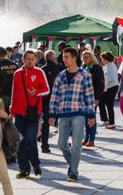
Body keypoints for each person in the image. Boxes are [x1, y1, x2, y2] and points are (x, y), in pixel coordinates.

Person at [49, 48, 96, 182]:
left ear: (74, 58)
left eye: (66, 57)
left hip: (78, 113)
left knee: (76, 145)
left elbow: (89, 95)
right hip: (63, 113)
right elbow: (55, 95)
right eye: (63, 57)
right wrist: (52, 114)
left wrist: (91, 115)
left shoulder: (84, 75)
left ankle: (73, 173)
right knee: (62, 144)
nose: (63, 59)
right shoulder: (61, 76)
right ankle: (73, 164)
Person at [10, 50, 50, 179]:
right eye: (27, 59)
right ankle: (24, 169)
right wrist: (12, 111)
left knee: (31, 139)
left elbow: (47, 90)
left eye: (32, 59)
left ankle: (36, 164)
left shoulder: (39, 72)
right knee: (20, 141)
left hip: (33, 112)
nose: (30, 61)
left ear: (36, 60)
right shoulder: (17, 73)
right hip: (19, 113)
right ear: (23, 59)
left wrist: (36, 92)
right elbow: (14, 93)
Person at [81, 50, 104, 147]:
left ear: (91, 58)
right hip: (83, 96)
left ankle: (92, 139)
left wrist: (97, 98)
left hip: (92, 96)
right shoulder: (83, 68)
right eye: (84, 57)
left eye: (87, 57)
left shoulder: (96, 68)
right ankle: (86, 137)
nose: (85, 59)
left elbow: (100, 83)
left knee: (91, 118)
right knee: (85, 119)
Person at [40, 50, 61, 153]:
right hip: (58, 98)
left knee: (46, 123)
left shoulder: (42, 70)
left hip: (46, 98)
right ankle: (63, 142)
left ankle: (44, 145)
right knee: (61, 121)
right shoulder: (60, 68)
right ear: (53, 58)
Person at [0, 46, 19, 112]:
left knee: (1, 119)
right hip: (16, 97)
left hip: (1, 98)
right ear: (5, 54)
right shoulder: (15, 66)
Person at [99, 52, 119, 129]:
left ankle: (112, 122)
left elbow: (112, 78)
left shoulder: (112, 66)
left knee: (109, 105)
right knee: (101, 103)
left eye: (102, 59)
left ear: (106, 59)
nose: (102, 60)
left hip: (112, 87)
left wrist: (103, 80)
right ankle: (105, 120)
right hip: (106, 87)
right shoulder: (107, 66)